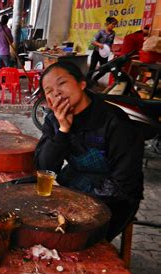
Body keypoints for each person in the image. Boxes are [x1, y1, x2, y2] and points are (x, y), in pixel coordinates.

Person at [34, 61, 144, 243]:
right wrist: (63, 130)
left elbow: (125, 183)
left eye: (62, 83)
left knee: (69, 239)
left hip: (114, 199)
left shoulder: (114, 122)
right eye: (49, 90)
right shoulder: (54, 119)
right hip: (74, 183)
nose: (57, 92)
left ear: (82, 84)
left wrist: (77, 206)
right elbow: (44, 168)